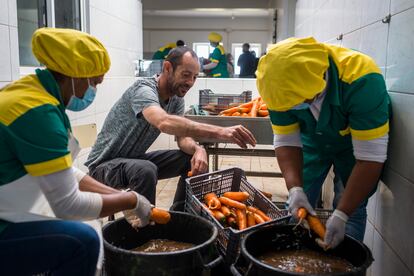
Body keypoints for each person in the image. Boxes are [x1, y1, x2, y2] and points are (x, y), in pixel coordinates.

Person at [0, 28, 154, 275]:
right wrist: (131, 200)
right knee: (83, 241)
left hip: (8, 199)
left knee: (89, 224)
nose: (92, 91)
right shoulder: (37, 112)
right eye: (94, 82)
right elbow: (68, 205)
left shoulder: (34, 92)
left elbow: (66, 171)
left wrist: (119, 194)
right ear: (74, 76)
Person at [256, 37, 390, 249]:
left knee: (350, 209)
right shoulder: (277, 84)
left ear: (319, 86)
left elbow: (370, 158)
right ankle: (294, 259)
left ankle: (344, 261)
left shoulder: (363, 80)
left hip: (355, 150)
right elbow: (286, 141)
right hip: (312, 140)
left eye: (297, 103)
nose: (291, 108)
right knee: (299, 204)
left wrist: (342, 214)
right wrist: (294, 190)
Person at [85, 46, 256, 205]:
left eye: (195, 77)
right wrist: (221, 131)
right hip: (102, 167)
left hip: (133, 161)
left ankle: (179, 215)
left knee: (190, 161)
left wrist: (197, 149)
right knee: (145, 170)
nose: (190, 82)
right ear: (168, 68)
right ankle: (145, 229)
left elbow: (183, 139)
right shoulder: (143, 89)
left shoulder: (176, 100)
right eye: (186, 74)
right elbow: (163, 122)